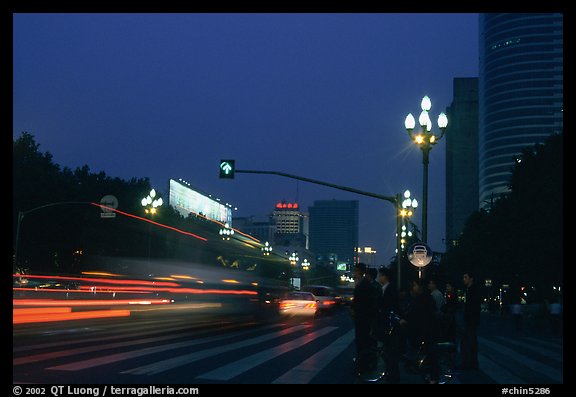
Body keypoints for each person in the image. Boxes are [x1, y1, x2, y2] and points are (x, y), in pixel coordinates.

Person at [399, 279, 440, 384]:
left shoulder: (423, 298)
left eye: (415, 285)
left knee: (430, 353)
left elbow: (415, 313)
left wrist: (405, 319)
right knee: (426, 351)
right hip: (425, 329)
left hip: (425, 330)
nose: (413, 287)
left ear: (420, 286)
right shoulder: (424, 297)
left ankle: (433, 378)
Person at [374, 266, 400, 382]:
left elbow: (390, 306)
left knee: (390, 352)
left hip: (389, 324)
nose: (378, 277)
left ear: (384, 276)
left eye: (380, 275)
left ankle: (392, 375)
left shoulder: (390, 289)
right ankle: (390, 373)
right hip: (386, 323)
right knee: (388, 352)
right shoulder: (384, 288)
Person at [351, 262, 379, 373]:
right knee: (362, 341)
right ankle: (362, 363)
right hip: (362, 317)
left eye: (356, 271)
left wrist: (355, 310)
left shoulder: (364, 284)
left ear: (361, 272)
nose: (355, 273)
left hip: (362, 317)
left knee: (362, 341)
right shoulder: (363, 283)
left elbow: (363, 302)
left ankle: (362, 365)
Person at [460, 271, 481, 370]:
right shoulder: (469, 289)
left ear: (471, 278)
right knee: (470, 342)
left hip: (471, 320)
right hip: (471, 320)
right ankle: (471, 363)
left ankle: (469, 363)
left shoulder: (473, 290)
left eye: (465, 277)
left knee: (469, 342)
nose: (464, 279)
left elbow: (473, 307)